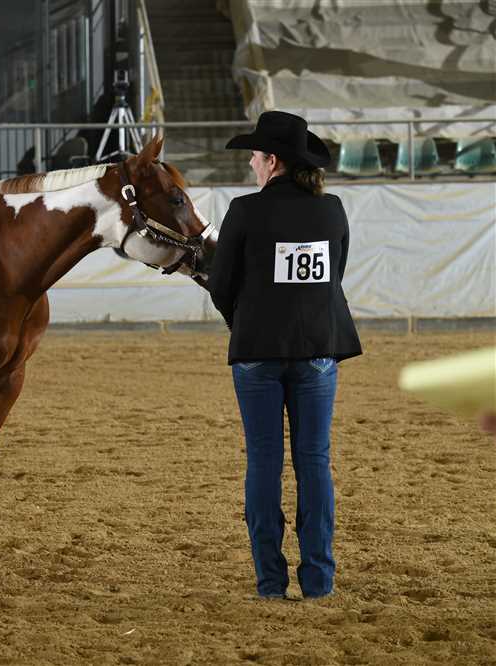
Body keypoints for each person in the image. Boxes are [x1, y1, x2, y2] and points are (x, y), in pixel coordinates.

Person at [208, 111, 363, 599]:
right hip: (317, 349)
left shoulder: (244, 210)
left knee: (263, 460)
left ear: (272, 161)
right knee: (314, 460)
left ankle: (270, 581)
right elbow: (333, 275)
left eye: (255, 156)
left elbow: (221, 286)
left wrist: (245, 318)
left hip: (257, 351)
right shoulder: (332, 209)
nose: (252, 163)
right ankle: (318, 580)